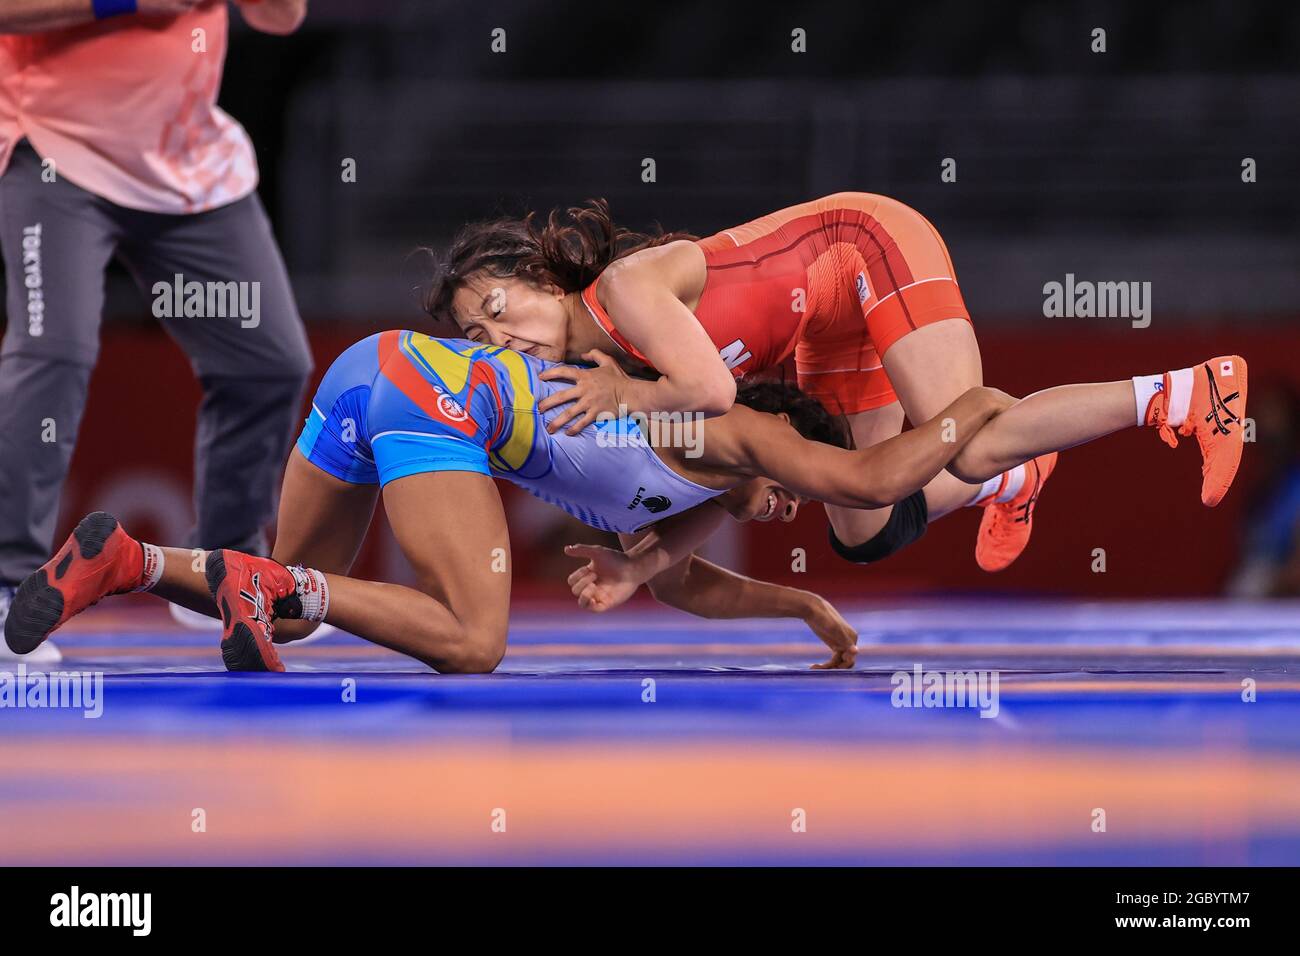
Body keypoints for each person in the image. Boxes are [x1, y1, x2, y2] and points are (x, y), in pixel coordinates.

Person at [4, 331, 1016, 672]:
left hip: (372, 368)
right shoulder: (735, 429)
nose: (799, 502)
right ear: (783, 443)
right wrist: (970, 415)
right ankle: (249, 574)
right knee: (475, 639)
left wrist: (799, 606)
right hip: (433, 398)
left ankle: (127, 560)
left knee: (292, 612)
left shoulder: (690, 491)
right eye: (797, 480)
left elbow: (676, 582)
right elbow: (870, 482)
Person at [426, 195, 1249, 579]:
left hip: (863, 246)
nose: (498, 339)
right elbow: (727, 466)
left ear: (537, 277)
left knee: (966, 435)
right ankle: (1017, 478)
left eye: (498, 307)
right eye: (477, 337)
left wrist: (628, 403)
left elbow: (710, 388)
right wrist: (641, 568)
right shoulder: (608, 378)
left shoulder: (627, 294)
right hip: (826, 322)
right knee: (865, 527)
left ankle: (1187, 391)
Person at [0, 0, 312, 662]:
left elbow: (280, 18)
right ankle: (4, 585)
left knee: (269, 364)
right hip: (55, 153)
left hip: (187, 166)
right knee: (53, 350)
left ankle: (220, 576)